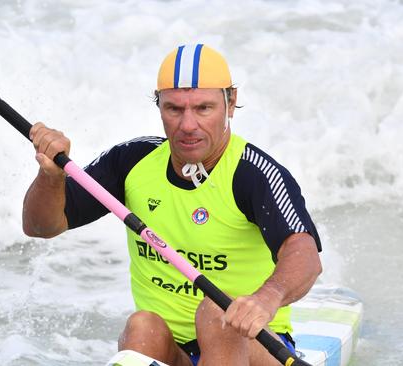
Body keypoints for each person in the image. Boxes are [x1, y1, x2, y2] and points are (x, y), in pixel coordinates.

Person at [23, 44, 322, 366]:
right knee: (142, 327)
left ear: (230, 102)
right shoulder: (132, 161)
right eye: (174, 110)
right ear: (159, 106)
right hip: (174, 352)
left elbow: (304, 254)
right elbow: (41, 227)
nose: (188, 125)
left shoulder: (253, 174)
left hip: (252, 348)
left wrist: (266, 299)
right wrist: (50, 176)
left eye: (204, 109)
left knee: (217, 312)